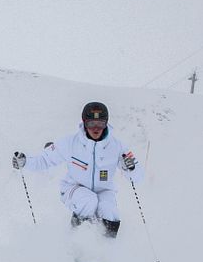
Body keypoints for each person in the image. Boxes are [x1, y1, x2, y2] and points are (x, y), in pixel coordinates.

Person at [12, 102, 144, 238]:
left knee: (109, 210)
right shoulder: (70, 143)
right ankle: (78, 245)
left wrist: (131, 168)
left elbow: (139, 176)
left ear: (106, 123)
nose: (96, 128)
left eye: (101, 123)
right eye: (91, 124)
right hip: (74, 188)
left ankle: (106, 250)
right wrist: (25, 162)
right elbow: (44, 160)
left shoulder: (117, 147)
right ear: (84, 122)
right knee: (88, 200)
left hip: (105, 190)